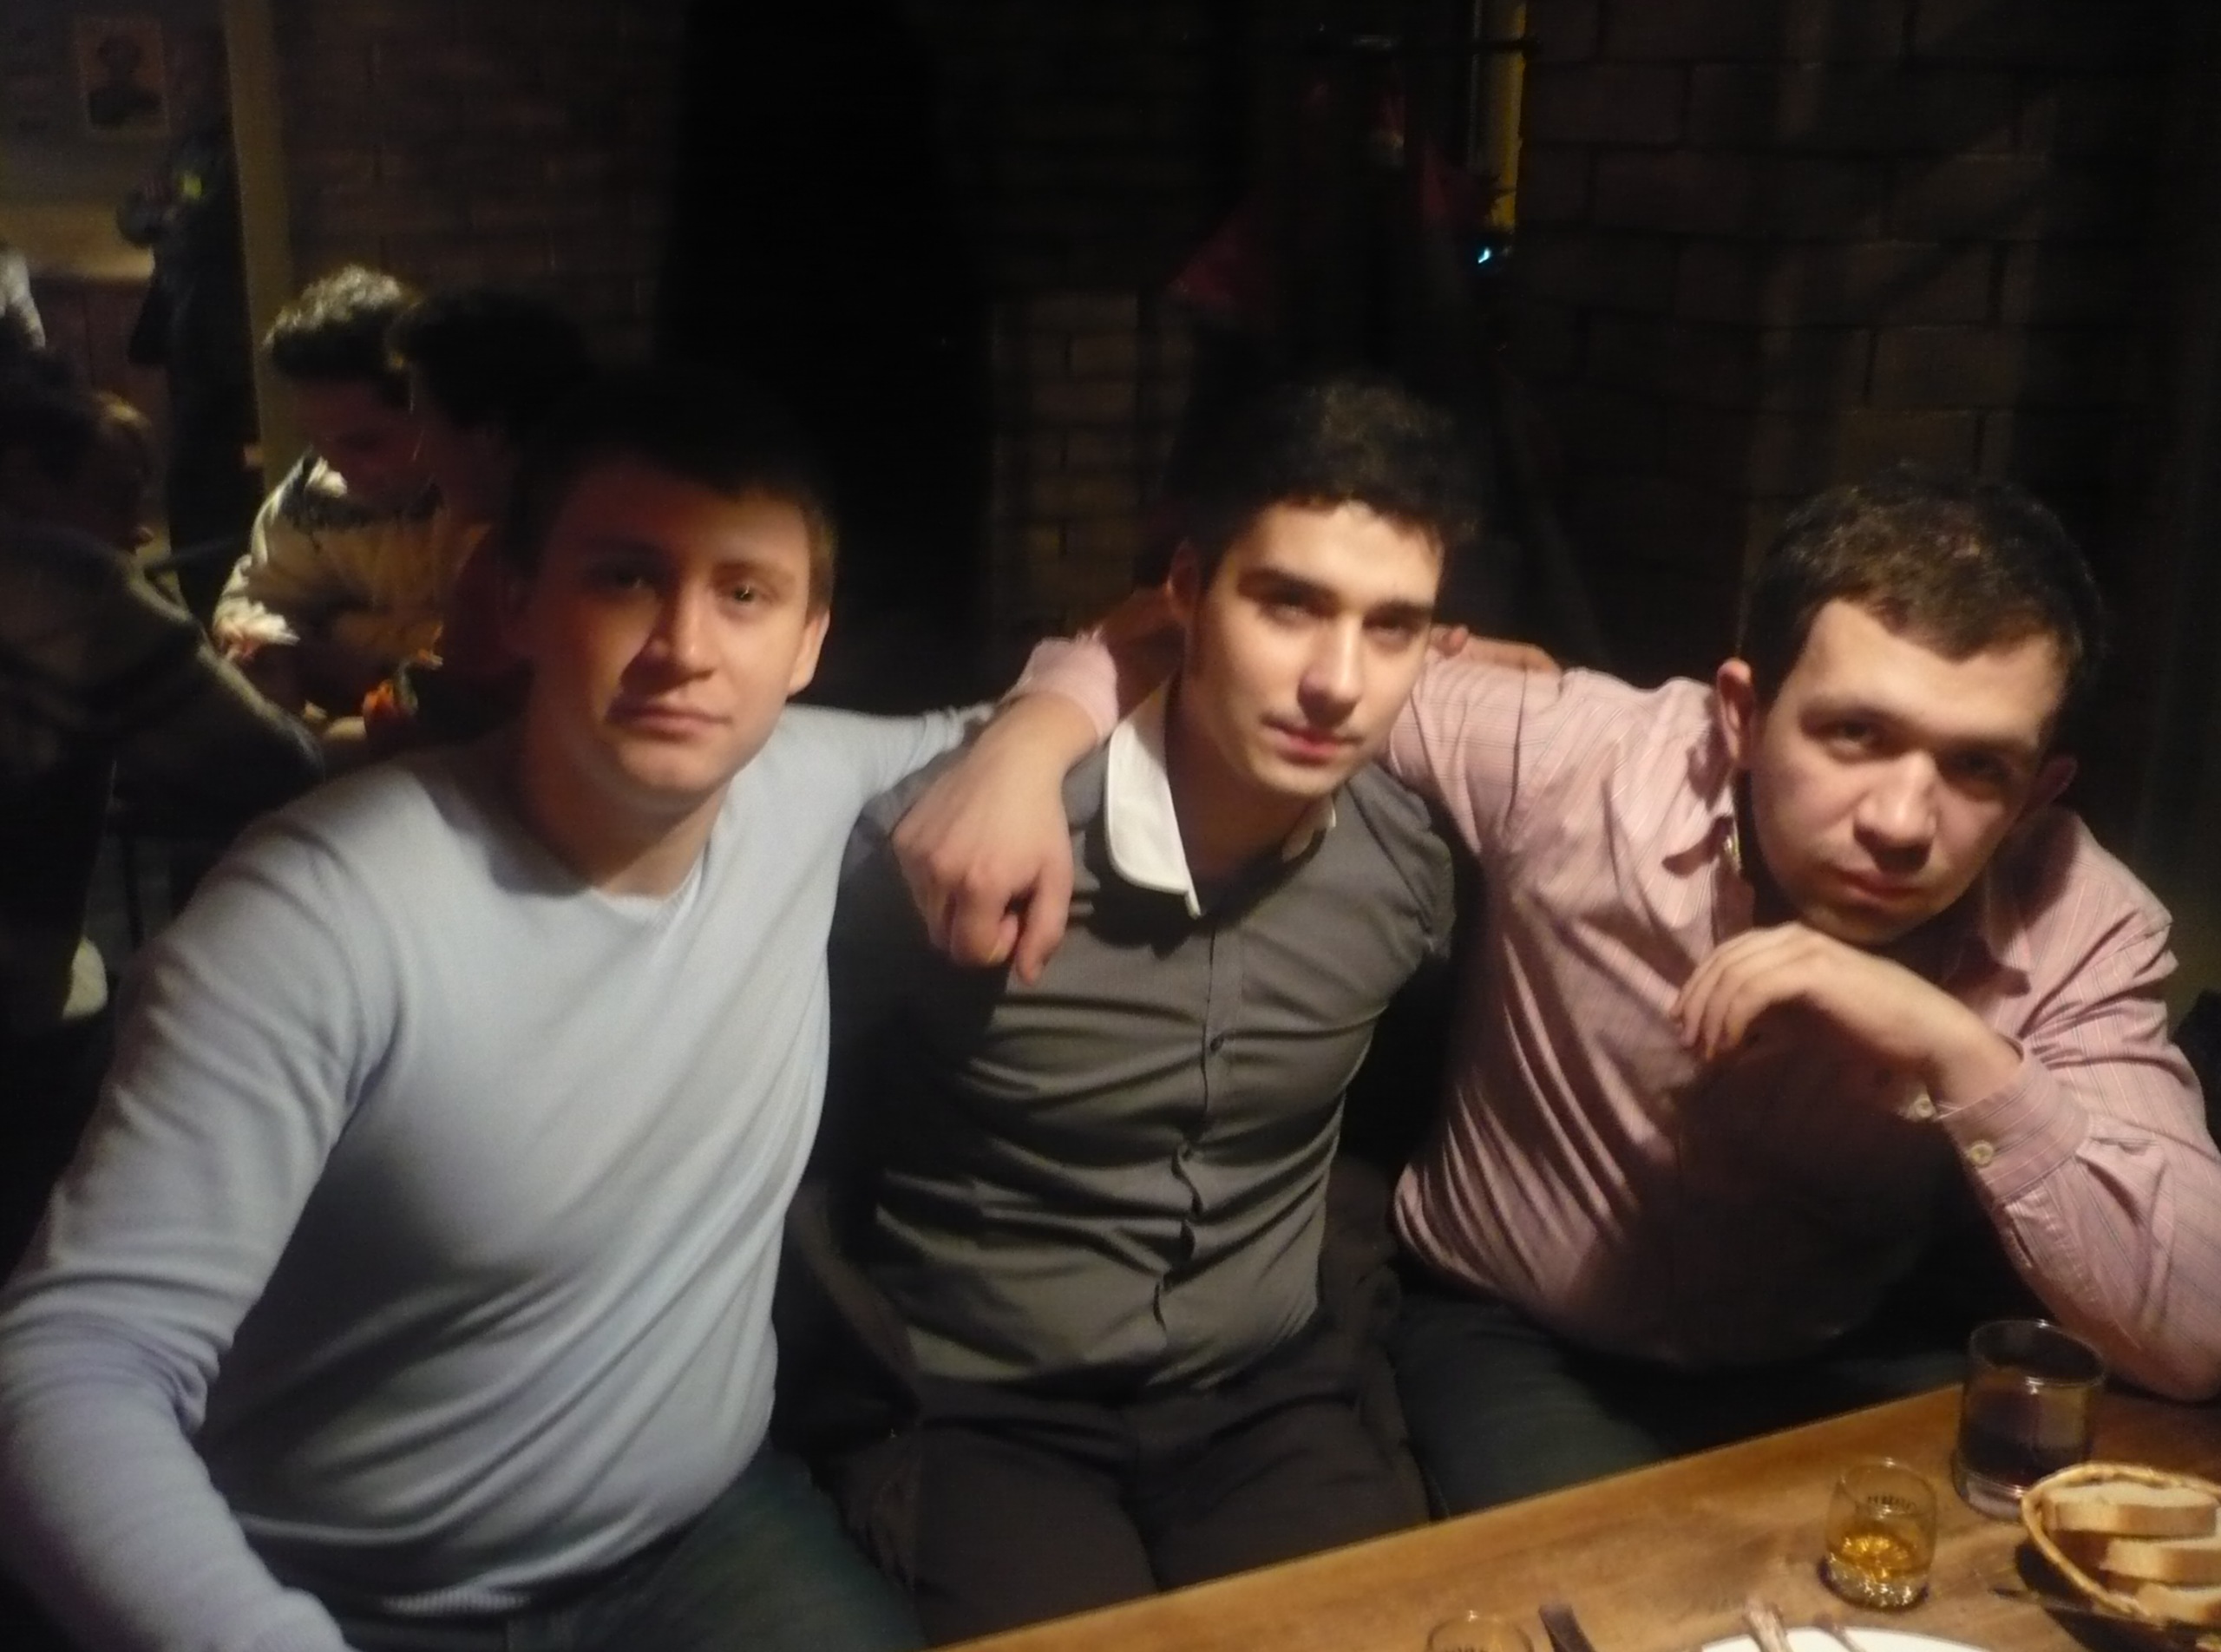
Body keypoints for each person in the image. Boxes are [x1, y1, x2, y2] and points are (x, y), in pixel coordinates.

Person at [0, 364, 1104, 1652]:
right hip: (339, 1589)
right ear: (514, 601)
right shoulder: (320, 912)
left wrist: (1030, 743)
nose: (686, 647)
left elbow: (1106, 661)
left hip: (698, 1540)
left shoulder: (812, 781)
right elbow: (72, 1364)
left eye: (745, 594)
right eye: (625, 578)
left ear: (808, 642)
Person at [892, 462, 2221, 1514]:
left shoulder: (2077, 923)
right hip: (1513, 1329)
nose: (1901, 821)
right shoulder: (1572, 757)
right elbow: (1214, 644)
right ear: (1741, 714)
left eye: (1979, 768)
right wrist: (1026, 744)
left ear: (2040, 791)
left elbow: (2198, 1333)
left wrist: (1962, 1056)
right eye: (1854, 734)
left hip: (1835, 1349)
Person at [806, 377, 1471, 1641]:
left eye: (1392, 628)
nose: (1337, 680)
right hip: (983, 1415)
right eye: (1288, 604)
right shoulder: (961, 850)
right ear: (1185, 593)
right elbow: (812, 1119)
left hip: (1267, 1398)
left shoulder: (1405, 871)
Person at [0, 345, 318, 1268]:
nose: (137, 532)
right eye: (113, 496)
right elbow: (266, 768)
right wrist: (283, 696)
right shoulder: (62, 585)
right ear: (21, 475)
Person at [212, 266, 468, 718]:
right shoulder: (309, 497)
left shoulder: (483, 494)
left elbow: (487, 649)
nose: (335, 465)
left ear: (434, 407)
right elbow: (255, 597)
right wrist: (264, 642)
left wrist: (339, 630)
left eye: (364, 442)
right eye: (316, 439)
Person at [370, 285, 598, 744]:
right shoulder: (609, 517)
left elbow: (449, 738)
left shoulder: (508, 565)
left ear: (490, 434)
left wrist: (382, 710)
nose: (419, 453)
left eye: (426, 423)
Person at [115, 28, 259, 620]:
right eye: (174, 73)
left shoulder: (242, 142)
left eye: (193, 72)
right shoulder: (185, 146)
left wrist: (167, 212)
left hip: (227, 337)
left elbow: (207, 227)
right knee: (192, 469)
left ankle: (225, 591)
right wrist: (165, 211)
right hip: (185, 333)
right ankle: (203, 595)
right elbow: (130, 215)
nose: (180, 85)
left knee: (219, 472)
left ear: (226, 74)